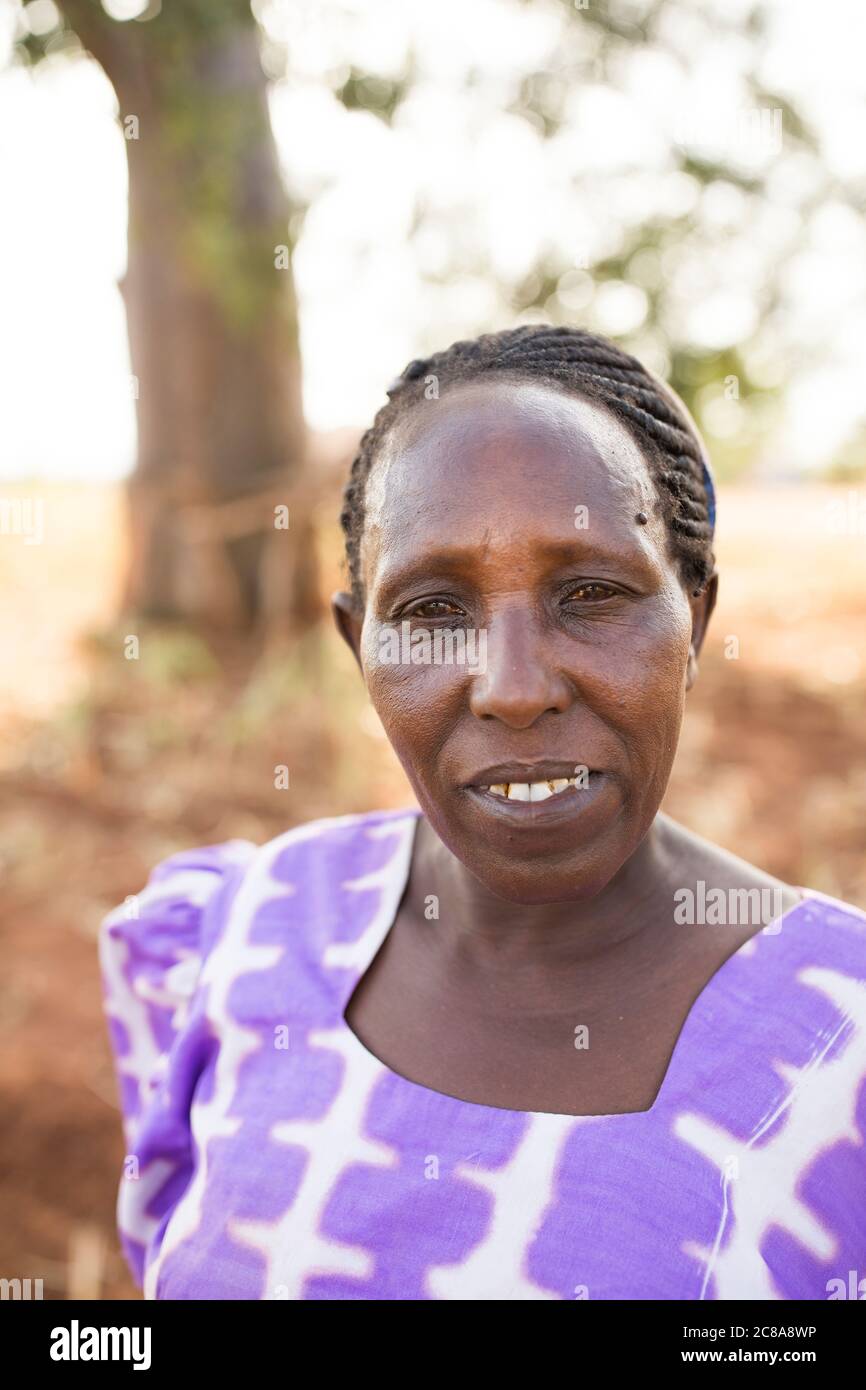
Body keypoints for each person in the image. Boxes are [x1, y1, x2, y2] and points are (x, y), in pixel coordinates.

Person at [99, 324, 866, 1300]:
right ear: (354, 641)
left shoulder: (841, 1037)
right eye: (429, 610)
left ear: (695, 622)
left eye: (589, 593)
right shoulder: (253, 927)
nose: (510, 687)